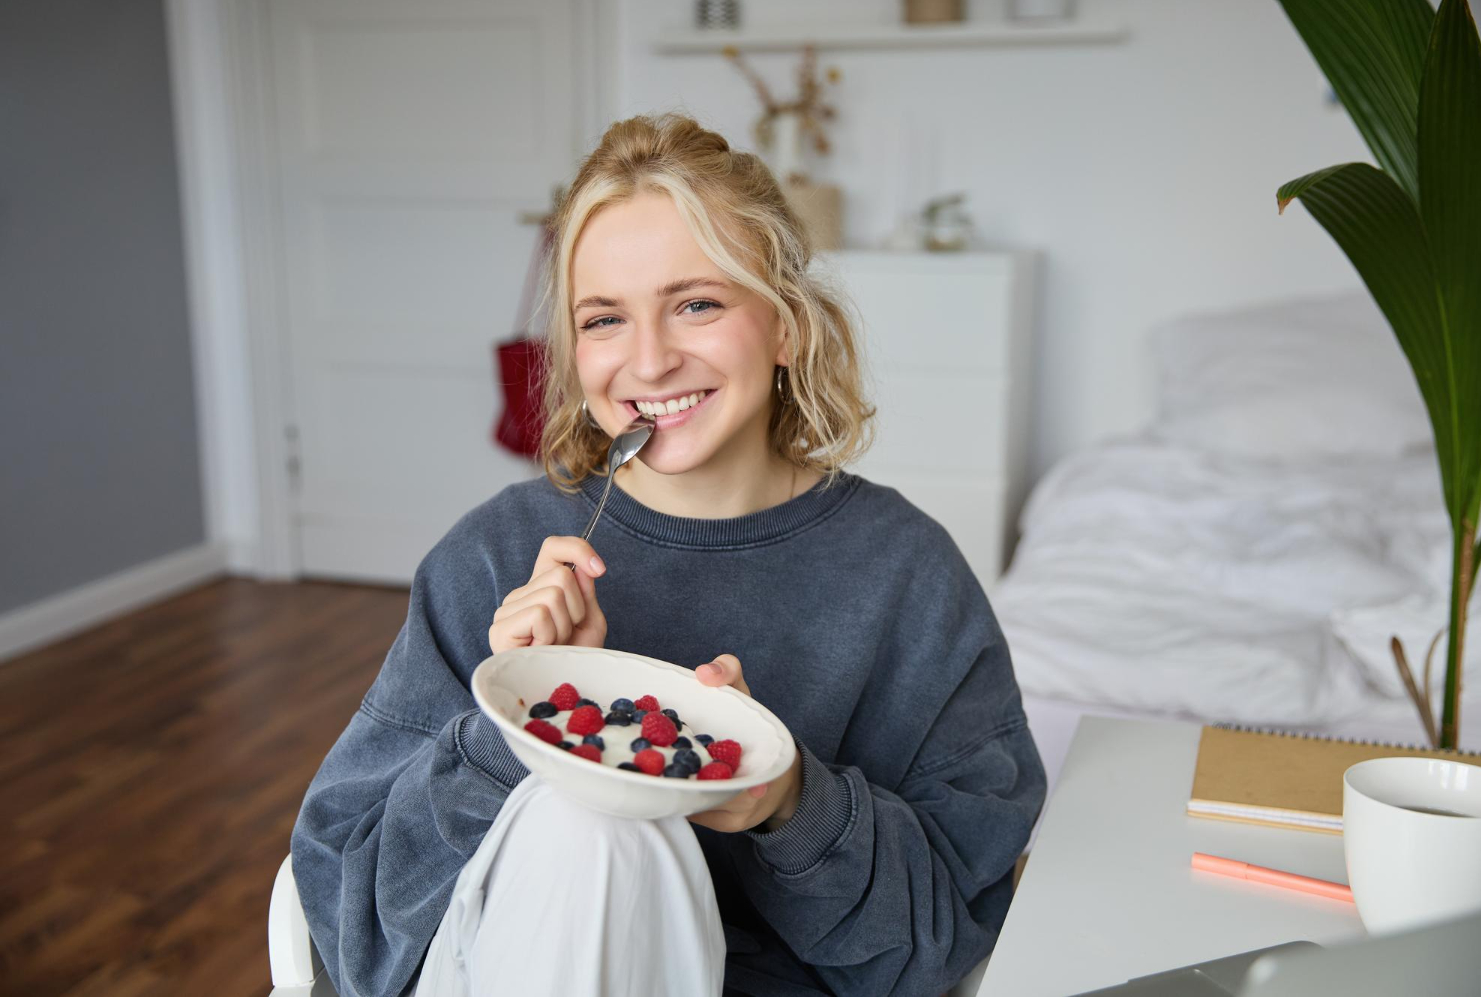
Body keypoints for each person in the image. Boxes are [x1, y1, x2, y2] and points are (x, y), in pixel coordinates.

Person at [290, 111, 1046, 997]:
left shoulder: (906, 575)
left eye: (698, 303)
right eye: (605, 319)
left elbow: (947, 940)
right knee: (594, 822)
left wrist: (789, 800)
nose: (649, 362)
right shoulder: (495, 556)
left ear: (788, 327)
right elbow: (349, 920)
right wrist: (518, 724)